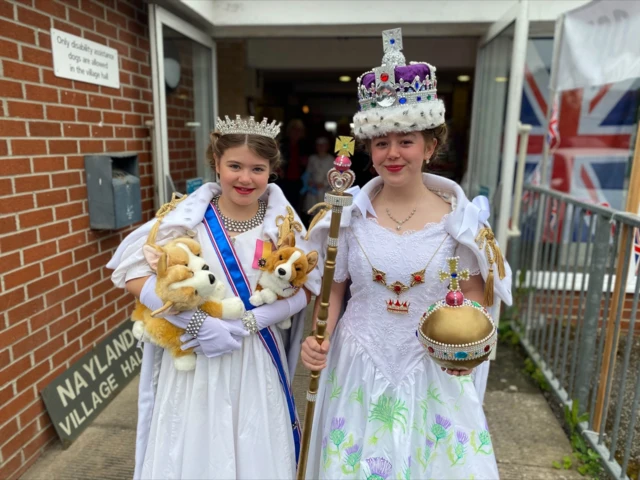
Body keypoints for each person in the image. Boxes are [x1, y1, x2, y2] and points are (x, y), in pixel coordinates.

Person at [301, 29, 512, 479]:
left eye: (406, 141)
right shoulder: (347, 216)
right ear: (369, 149)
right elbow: (333, 289)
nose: (392, 153)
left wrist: (464, 348)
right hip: (358, 362)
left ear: (430, 146)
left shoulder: (462, 222)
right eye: (381, 143)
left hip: (431, 368)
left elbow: (475, 299)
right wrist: (318, 337)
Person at [107, 115, 320, 479]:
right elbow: (131, 275)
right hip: (195, 352)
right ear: (216, 164)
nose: (245, 178)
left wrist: (257, 320)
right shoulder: (185, 218)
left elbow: (307, 287)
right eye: (234, 166)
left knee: (254, 443)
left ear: (272, 171)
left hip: (255, 357)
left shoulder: (284, 225)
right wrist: (196, 321)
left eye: (257, 168)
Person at [302, 136, 335, 213]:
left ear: (327, 146)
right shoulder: (312, 158)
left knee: (324, 211)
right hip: (313, 189)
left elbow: (333, 176)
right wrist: (309, 181)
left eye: (323, 145)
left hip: (326, 190)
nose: (321, 147)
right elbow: (308, 173)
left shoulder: (331, 159)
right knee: (312, 212)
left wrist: (324, 184)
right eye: (319, 145)